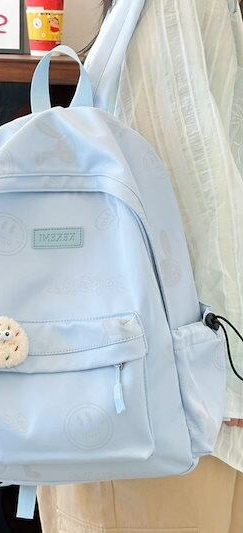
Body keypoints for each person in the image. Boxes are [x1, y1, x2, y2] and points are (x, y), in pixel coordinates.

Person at [38, 1, 243, 531]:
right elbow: (195, 201)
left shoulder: (168, 11)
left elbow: (193, 201)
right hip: (171, 395)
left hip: (146, 395)